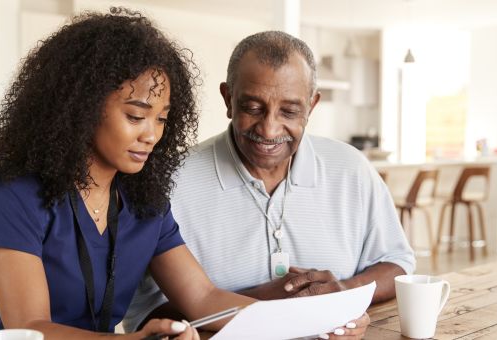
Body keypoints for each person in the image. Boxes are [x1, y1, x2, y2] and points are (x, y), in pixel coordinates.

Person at [0, 8, 256, 339]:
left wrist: (301, 319)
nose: (151, 135)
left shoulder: (146, 202)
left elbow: (204, 298)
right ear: (82, 107)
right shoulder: (16, 193)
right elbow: (29, 329)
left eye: (162, 119)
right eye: (136, 116)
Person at [125, 31, 416, 339]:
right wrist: (267, 300)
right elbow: (146, 315)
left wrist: (344, 294)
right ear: (228, 99)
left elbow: (397, 263)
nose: (269, 128)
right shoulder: (170, 181)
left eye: (289, 111)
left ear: (311, 106)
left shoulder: (352, 169)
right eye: (252, 107)